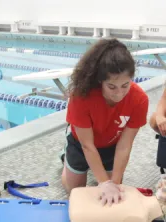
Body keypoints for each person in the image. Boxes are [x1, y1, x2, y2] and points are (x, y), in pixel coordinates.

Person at [61, 38, 149, 206]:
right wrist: (103, 183)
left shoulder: (139, 100)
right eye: (112, 87)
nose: (119, 94)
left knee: (114, 193)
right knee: (75, 192)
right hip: (81, 145)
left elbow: (125, 144)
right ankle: (65, 160)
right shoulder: (81, 96)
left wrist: (113, 183)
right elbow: (88, 146)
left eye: (125, 85)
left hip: (112, 146)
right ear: (100, 80)